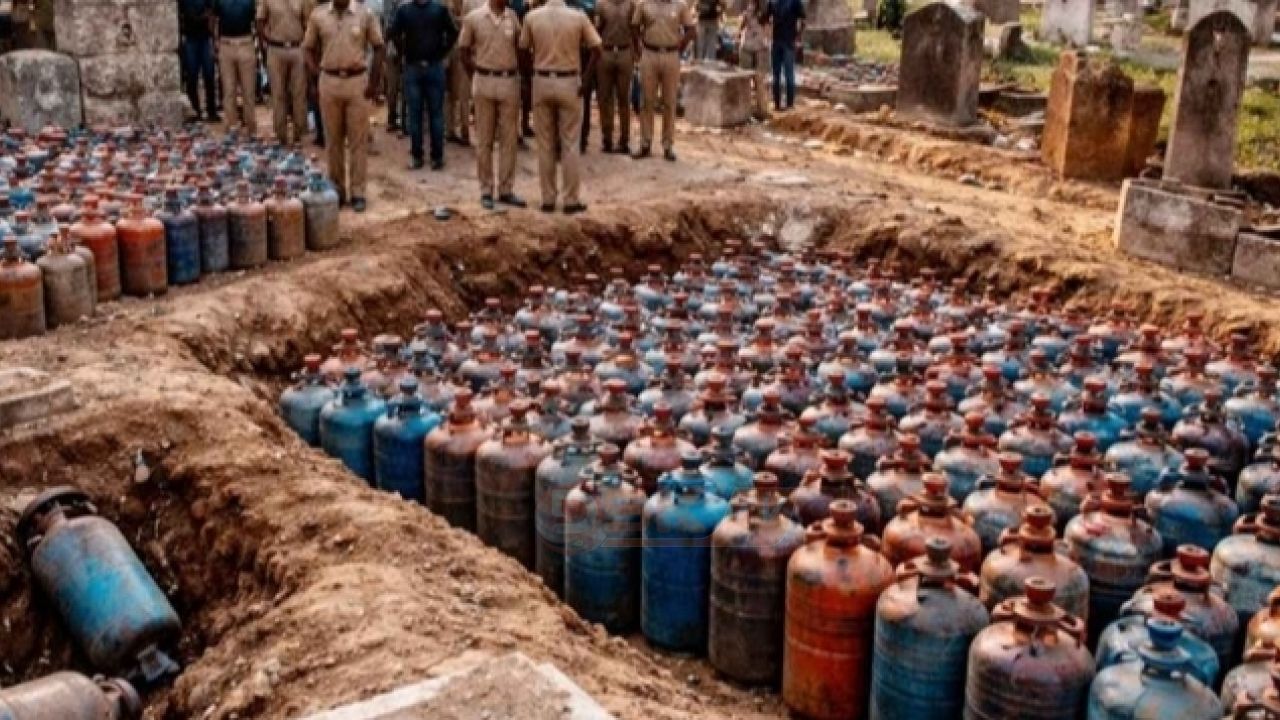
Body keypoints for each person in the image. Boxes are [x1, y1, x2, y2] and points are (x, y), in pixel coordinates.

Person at [518, 0, 601, 214]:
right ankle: (571, 200)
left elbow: (523, 49)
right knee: (570, 144)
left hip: (542, 80)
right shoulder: (578, 16)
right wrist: (586, 78)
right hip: (569, 80)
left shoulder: (532, 17)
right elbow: (597, 48)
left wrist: (529, 78)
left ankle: (548, 198)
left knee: (545, 143)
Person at [303, 0, 385, 211]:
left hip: (357, 82)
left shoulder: (364, 14)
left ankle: (358, 192)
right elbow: (308, 49)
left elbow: (379, 47)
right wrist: (315, 75)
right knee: (333, 141)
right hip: (329, 81)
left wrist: (374, 83)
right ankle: (337, 190)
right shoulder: (318, 15)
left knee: (358, 141)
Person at [459, 0, 526, 209]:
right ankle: (485, 189)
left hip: (508, 80)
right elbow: (463, 50)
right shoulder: (474, 18)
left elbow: (520, 47)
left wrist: (523, 80)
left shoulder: (512, 17)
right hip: (484, 79)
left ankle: (506, 189)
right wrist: (475, 75)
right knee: (484, 139)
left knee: (509, 139)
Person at [388, 0, 459, 170]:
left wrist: (404, 51)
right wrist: (441, 51)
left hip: (418, 66)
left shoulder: (406, 9)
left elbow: (392, 32)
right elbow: (453, 32)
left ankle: (420, 156)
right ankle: (435, 157)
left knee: (419, 115)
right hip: (429, 66)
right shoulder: (438, 9)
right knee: (432, 114)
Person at [630, 0, 692, 161]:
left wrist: (681, 47)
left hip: (671, 54)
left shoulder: (680, 6)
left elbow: (691, 30)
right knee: (646, 101)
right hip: (649, 53)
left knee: (669, 102)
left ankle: (668, 145)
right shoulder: (643, 5)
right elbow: (634, 27)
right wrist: (638, 48)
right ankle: (645, 142)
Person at [257, 0, 310, 144]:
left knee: (299, 93)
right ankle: (280, 135)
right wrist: (266, 42)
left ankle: (300, 135)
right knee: (278, 94)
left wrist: (305, 45)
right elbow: (260, 22)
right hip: (275, 49)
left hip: (297, 48)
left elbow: (307, 25)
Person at [212, 0, 260, 135]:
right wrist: (215, 40)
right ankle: (232, 125)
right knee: (229, 90)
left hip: (245, 42)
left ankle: (251, 127)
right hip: (226, 43)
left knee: (248, 90)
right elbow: (214, 19)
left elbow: (256, 21)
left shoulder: (250, 1)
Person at [594, 0, 633, 153]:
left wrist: (635, 52)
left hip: (624, 51)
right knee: (605, 98)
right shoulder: (601, 5)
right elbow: (597, 29)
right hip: (606, 51)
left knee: (624, 98)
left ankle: (624, 140)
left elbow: (634, 28)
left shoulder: (630, 5)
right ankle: (607, 138)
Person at [180, 0, 220, 122]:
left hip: (204, 38)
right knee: (192, 76)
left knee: (209, 75)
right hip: (191, 38)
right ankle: (195, 111)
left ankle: (211, 111)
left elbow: (211, 13)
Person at [761, 0, 801, 111]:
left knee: (781, 75)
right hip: (783, 41)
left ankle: (781, 104)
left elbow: (764, 19)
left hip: (782, 41)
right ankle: (786, 104)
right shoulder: (793, 2)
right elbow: (765, 19)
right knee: (784, 74)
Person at [444, 0, 474, 146]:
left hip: (463, 49)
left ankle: (464, 130)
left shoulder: (470, 3)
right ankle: (450, 129)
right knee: (449, 92)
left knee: (463, 92)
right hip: (447, 50)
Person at [735, 0, 767, 119]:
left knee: (746, 79)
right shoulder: (766, 7)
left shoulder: (750, 8)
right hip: (760, 45)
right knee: (759, 80)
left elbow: (741, 25)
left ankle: (746, 109)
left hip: (749, 45)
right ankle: (761, 109)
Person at [382, 0, 407, 132]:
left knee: (397, 87)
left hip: (400, 49)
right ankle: (396, 120)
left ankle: (398, 120)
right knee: (395, 87)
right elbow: (390, 27)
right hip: (396, 49)